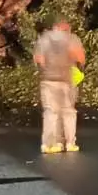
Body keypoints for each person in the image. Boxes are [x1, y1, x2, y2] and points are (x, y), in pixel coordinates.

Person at [33, 20, 85, 154]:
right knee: (68, 112)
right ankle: (69, 143)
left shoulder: (44, 39)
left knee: (51, 112)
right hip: (66, 80)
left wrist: (46, 68)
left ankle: (50, 144)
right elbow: (79, 57)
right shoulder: (71, 39)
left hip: (48, 80)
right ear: (67, 29)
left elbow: (39, 59)